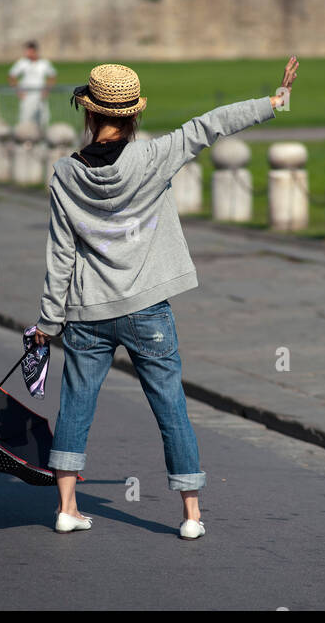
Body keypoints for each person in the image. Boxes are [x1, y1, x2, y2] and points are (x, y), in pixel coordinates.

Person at [32, 57, 298, 537]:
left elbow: (60, 255)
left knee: (74, 406)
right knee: (170, 406)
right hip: (147, 308)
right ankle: (191, 514)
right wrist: (272, 102)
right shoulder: (155, 155)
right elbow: (210, 125)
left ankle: (67, 508)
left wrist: (48, 324)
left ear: (89, 114)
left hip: (87, 311)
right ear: (134, 114)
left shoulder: (64, 173)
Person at [8, 41, 57, 131]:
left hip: (40, 96)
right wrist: (18, 90)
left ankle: (41, 139)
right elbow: (12, 75)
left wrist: (47, 90)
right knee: (25, 119)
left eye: (29, 51)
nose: (26, 53)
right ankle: (25, 139)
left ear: (34, 51)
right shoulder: (22, 62)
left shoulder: (44, 63)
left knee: (43, 119)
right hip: (27, 96)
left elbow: (52, 75)